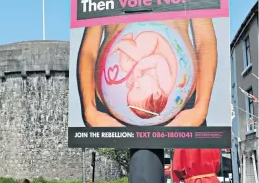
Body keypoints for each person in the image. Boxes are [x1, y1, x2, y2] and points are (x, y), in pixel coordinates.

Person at [78, 19, 217, 127]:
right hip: (107, 119)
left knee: (184, 165)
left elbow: (205, 41)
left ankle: (126, 44)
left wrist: (200, 108)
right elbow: (89, 49)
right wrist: (90, 111)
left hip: (184, 116)